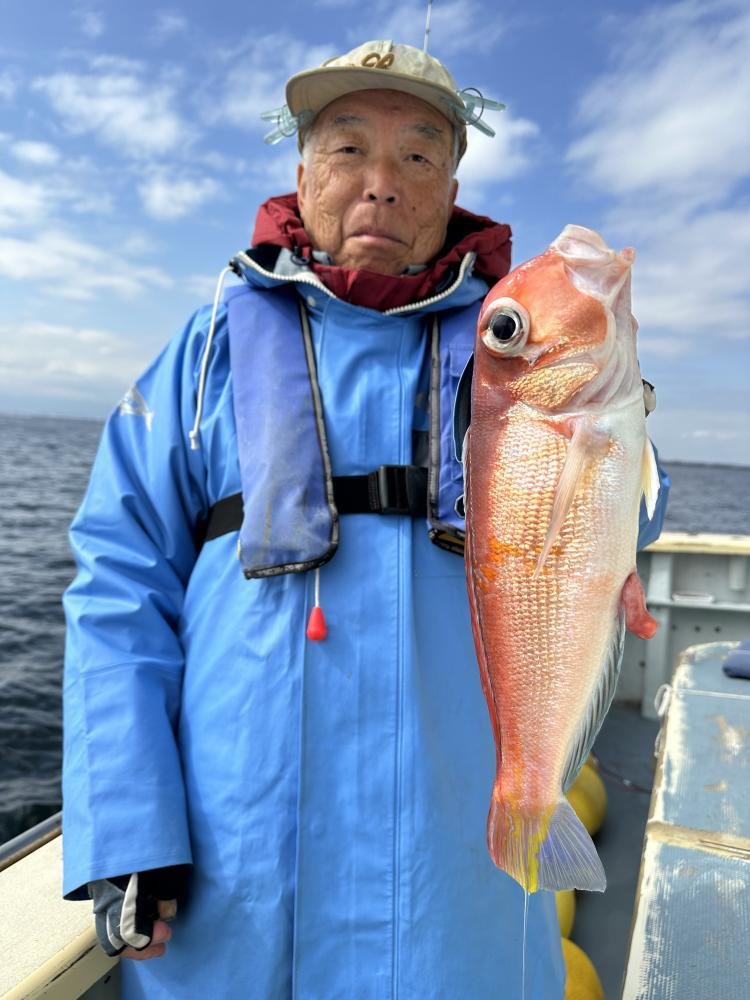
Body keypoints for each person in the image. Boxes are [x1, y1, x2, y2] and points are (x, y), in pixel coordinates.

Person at [62, 40, 668, 999]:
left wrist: (623, 433)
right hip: (234, 879)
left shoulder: (514, 343)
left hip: (459, 877)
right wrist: (127, 829)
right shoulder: (206, 352)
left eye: (418, 156)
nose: (381, 183)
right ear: (303, 172)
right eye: (348, 149)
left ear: (452, 187)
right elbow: (116, 583)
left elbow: (627, 510)